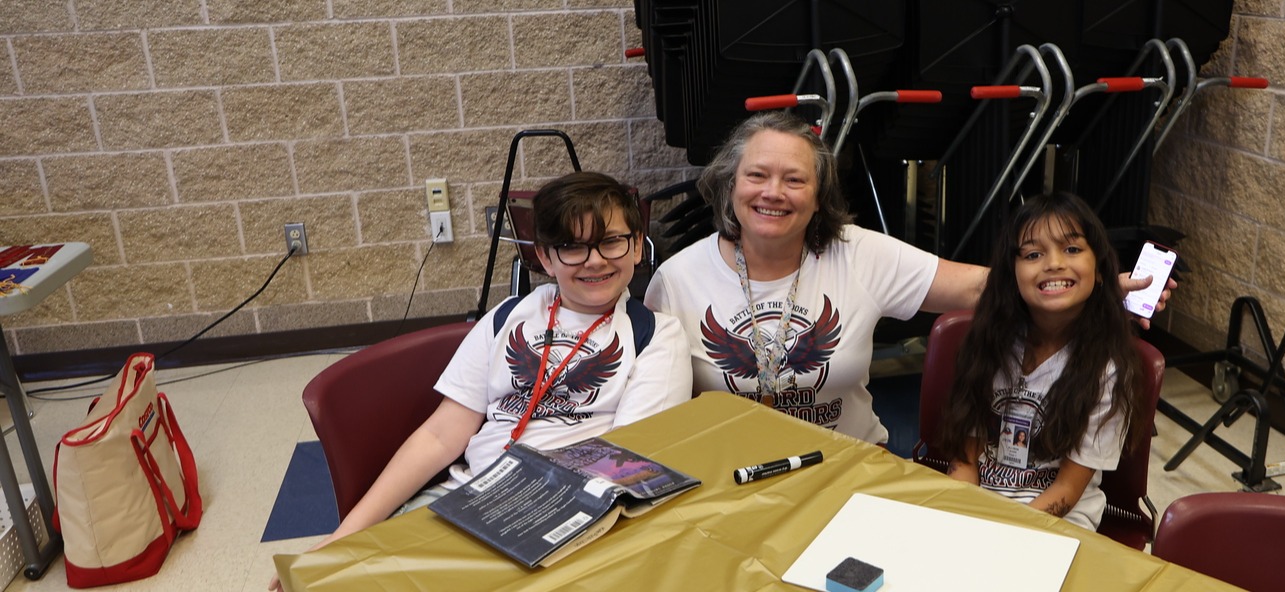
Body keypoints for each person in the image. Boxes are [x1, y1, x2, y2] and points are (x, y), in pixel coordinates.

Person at [269, 172, 690, 590]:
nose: (595, 260)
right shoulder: (509, 315)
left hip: (563, 516)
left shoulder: (653, 335)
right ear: (545, 257)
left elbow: (621, 465)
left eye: (611, 241)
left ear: (637, 246)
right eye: (572, 247)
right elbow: (440, 436)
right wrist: (340, 538)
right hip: (465, 496)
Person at [645, 111, 1171, 444]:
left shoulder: (857, 254)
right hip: (735, 475)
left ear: (819, 194)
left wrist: (1097, 289)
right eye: (757, 175)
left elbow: (973, 286)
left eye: (794, 179)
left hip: (850, 468)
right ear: (729, 183)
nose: (772, 192)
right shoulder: (678, 279)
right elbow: (658, 409)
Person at [938, 191, 1144, 531]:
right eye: (1033, 254)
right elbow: (965, 460)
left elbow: (1067, 490)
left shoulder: (1108, 370)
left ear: (1101, 270)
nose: (1054, 264)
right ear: (1012, 273)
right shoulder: (988, 343)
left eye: (1072, 249)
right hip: (981, 509)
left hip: (1057, 520)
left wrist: (1003, 531)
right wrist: (965, 517)